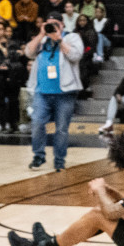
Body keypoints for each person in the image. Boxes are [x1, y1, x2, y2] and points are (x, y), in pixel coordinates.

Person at [26, 12, 83, 171]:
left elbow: (75, 55)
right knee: (37, 123)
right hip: (41, 92)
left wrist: (59, 39)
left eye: (55, 24)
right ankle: (38, 155)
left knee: (61, 129)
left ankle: (59, 160)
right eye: (48, 23)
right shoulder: (42, 39)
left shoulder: (72, 38)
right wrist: (41, 34)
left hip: (65, 94)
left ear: (62, 25)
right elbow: (28, 53)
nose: (52, 27)